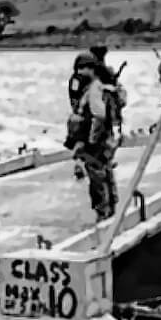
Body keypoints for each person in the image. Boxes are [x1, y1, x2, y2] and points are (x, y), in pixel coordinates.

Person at [71, 53, 125, 221]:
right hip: (106, 136)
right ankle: (111, 207)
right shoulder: (104, 87)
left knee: (96, 174)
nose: (79, 72)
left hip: (96, 137)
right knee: (106, 169)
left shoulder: (94, 88)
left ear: (91, 70)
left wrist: (91, 139)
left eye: (82, 68)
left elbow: (99, 114)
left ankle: (103, 212)